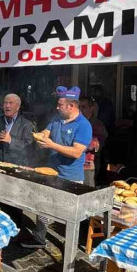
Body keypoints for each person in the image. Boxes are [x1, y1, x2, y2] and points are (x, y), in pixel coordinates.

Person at [26, 86, 93, 249]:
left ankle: (70, 247)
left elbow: (77, 152)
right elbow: (46, 132)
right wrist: (40, 137)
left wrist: (52, 145)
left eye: (60, 104)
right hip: (52, 171)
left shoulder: (84, 125)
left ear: (71, 106)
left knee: (69, 214)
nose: (57, 107)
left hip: (71, 176)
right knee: (43, 206)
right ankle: (39, 238)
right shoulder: (57, 118)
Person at [0, 94, 35, 166]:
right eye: (5, 103)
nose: (7, 106)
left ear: (18, 107)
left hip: (16, 165)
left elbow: (28, 148)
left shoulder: (26, 124)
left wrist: (11, 141)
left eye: (11, 103)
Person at [79, 96, 108, 187]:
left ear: (91, 108)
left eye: (83, 107)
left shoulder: (97, 124)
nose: (80, 110)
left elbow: (96, 144)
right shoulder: (77, 122)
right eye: (79, 107)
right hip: (74, 165)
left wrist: (76, 144)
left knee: (87, 191)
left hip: (88, 165)